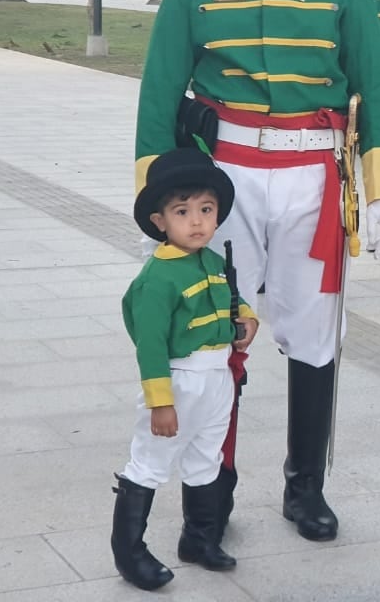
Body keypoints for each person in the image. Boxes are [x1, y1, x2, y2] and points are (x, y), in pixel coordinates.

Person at [135, 0, 380, 542]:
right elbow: (161, 92)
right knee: (214, 335)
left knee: (315, 335)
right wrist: (157, 200)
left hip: (314, 179)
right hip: (223, 183)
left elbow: (374, 87)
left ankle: (304, 487)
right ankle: (210, 493)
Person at [113, 147, 258, 591]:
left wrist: (247, 319)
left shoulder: (213, 262)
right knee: (150, 463)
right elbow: (151, 346)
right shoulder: (156, 279)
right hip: (178, 379)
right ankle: (129, 552)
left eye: (206, 210)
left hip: (216, 380)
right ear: (159, 222)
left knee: (205, 459)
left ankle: (198, 538)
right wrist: (161, 402)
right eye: (182, 211)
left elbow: (232, 301)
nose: (197, 222)